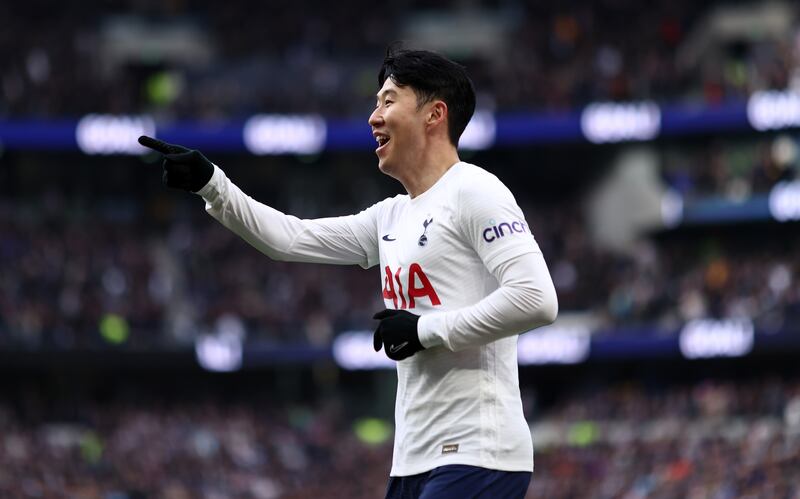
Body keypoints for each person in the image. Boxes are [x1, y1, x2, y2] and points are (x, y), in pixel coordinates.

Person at [139, 46, 558, 499]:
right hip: (414, 458)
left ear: (435, 114)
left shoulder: (476, 190)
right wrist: (211, 184)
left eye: (389, 100)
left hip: (478, 453)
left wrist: (427, 330)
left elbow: (536, 298)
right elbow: (289, 239)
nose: (374, 117)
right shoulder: (391, 216)